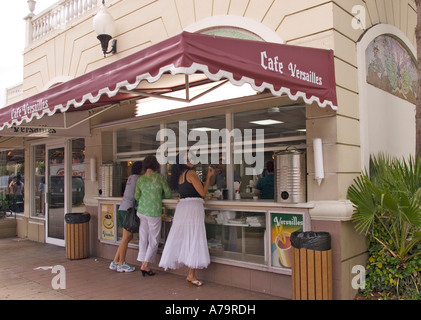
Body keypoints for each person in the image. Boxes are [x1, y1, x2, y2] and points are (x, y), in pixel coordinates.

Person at [159, 152, 215, 287]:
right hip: (193, 208)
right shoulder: (191, 174)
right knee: (194, 237)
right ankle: (191, 274)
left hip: (183, 208)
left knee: (185, 238)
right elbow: (202, 193)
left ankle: (191, 273)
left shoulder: (179, 175)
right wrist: (209, 177)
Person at [135, 155, 172, 276]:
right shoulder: (159, 178)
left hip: (141, 211)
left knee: (143, 237)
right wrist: (159, 196)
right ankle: (145, 265)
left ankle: (142, 261)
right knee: (154, 239)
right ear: (156, 165)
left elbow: (136, 196)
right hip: (153, 211)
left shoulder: (140, 179)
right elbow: (168, 194)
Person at [109, 161, 143, 272]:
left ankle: (115, 261)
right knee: (126, 237)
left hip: (123, 209)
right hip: (128, 211)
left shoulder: (131, 177)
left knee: (128, 237)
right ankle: (122, 263)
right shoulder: (139, 179)